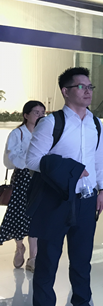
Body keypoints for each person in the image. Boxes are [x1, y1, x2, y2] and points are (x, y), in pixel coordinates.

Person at [26, 67, 103, 306]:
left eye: (90, 86)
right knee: (48, 260)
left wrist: (102, 188)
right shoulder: (52, 122)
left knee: (82, 258)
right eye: (81, 86)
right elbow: (32, 160)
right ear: (66, 91)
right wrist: (71, 169)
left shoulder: (95, 122)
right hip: (56, 200)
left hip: (87, 199)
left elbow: (99, 158)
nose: (88, 91)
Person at [1, 101, 46, 272]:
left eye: (42, 112)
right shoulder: (17, 133)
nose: (40, 116)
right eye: (36, 112)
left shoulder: (46, 133)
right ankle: (20, 247)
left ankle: (33, 257)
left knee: (36, 216)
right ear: (26, 115)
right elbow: (11, 158)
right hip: (22, 178)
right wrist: (31, 161)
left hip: (40, 178)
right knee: (19, 214)